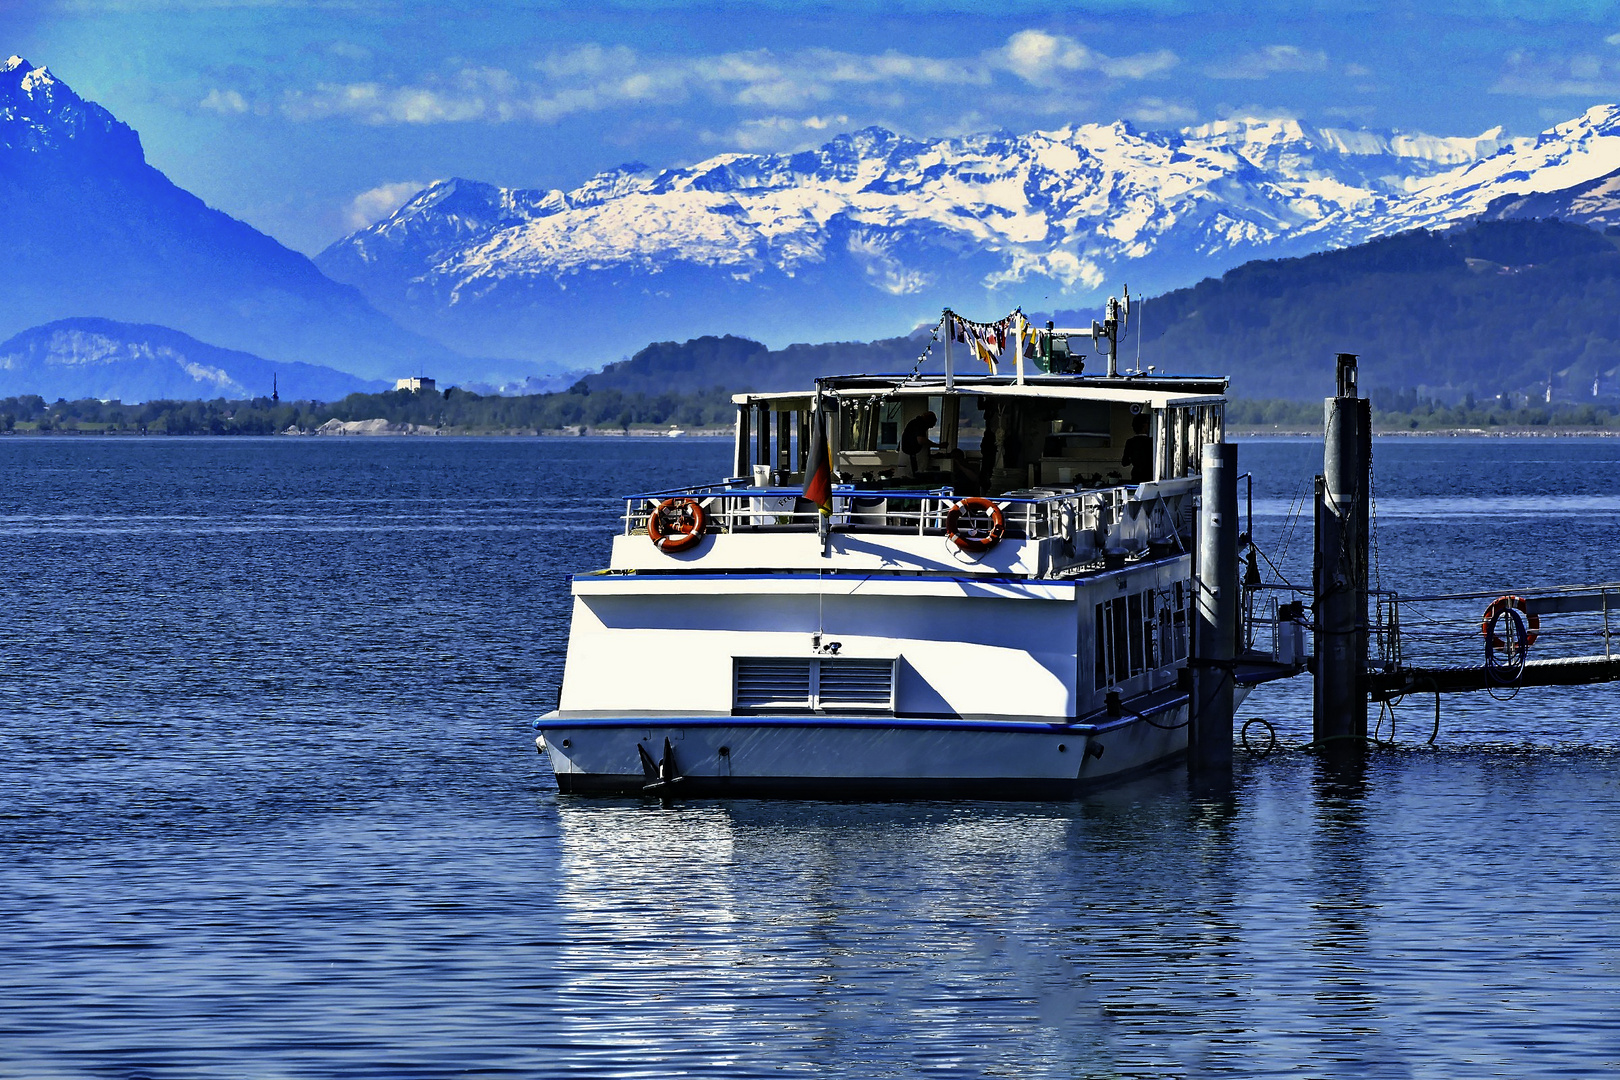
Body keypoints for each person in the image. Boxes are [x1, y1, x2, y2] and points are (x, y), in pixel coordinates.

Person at [1121, 413, 1152, 484]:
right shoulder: (1151, 442)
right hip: (1149, 475)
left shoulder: (1130, 442)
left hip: (1136, 475)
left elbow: (1124, 462)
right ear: (1144, 426)